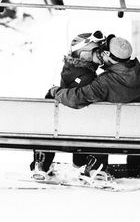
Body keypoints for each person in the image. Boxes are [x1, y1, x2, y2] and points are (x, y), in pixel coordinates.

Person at [49, 35, 140, 175]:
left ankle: (95, 165)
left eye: (103, 51)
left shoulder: (105, 82)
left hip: (116, 136)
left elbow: (77, 98)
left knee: (100, 121)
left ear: (109, 56)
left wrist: (56, 91)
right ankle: (139, 161)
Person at [30, 31, 107, 179]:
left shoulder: (69, 69)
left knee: (49, 120)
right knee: (100, 120)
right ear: (84, 53)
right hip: (82, 132)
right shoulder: (88, 77)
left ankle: (41, 164)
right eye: (97, 51)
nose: (101, 54)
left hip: (63, 129)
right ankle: (94, 167)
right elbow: (80, 100)